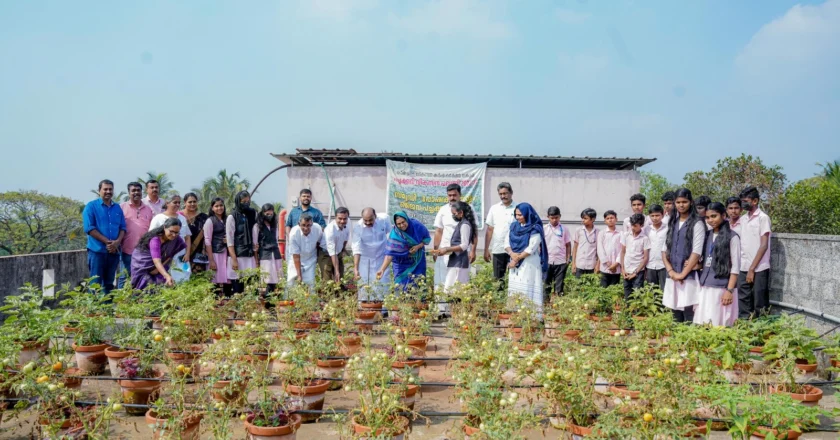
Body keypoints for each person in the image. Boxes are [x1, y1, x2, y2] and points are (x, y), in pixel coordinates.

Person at [662, 188, 705, 323]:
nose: (681, 205)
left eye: (684, 202)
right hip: (672, 275)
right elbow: (664, 251)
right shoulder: (672, 221)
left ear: (691, 202)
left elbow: (696, 252)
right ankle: (675, 343)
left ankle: (687, 343)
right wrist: (671, 271)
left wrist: (682, 274)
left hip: (689, 277)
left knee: (688, 312)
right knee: (675, 312)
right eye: (678, 202)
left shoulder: (697, 223)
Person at [693, 202, 740, 326]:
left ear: (724, 215)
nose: (710, 220)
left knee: (718, 325)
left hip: (721, 288)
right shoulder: (707, 235)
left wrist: (729, 291)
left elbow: (735, 267)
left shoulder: (732, 237)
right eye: (707, 217)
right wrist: (696, 265)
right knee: (703, 323)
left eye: (714, 216)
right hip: (705, 286)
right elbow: (707, 260)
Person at [83, 179, 126, 294]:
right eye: (105, 189)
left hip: (113, 252)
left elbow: (123, 228)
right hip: (97, 251)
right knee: (95, 283)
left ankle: (107, 309)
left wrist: (117, 242)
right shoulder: (91, 207)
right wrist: (108, 242)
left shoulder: (117, 208)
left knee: (109, 283)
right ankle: (93, 310)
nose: (108, 191)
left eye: (110, 189)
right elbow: (89, 228)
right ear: (99, 191)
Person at [505, 203, 549, 313]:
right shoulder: (513, 226)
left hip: (529, 263)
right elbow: (506, 242)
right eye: (516, 215)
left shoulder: (535, 228)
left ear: (527, 214)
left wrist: (516, 259)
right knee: (516, 288)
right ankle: (516, 315)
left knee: (528, 286)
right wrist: (511, 254)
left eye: (520, 215)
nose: (518, 217)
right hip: (515, 262)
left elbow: (531, 248)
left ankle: (531, 316)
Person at [433, 184, 476, 292]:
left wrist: (473, 251)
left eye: (454, 195)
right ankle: (441, 308)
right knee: (442, 280)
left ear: (460, 195)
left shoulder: (467, 209)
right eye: (449, 195)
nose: (452, 197)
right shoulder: (442, 210)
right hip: (444, 252)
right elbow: (438, 231)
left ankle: (455, 308)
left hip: (461, 252)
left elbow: (473, 232)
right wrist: (436, 250)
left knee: (458, 283)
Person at [737, 186, 772, 319]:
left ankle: (762, 332)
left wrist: (752, 268)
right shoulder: (743, 219)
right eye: (742, 200)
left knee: (760, 302)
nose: (743, 203)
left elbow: (763, 245)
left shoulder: (763, 218)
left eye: (746, 200)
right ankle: (744, 329)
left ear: (755, 201)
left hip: (759, 267)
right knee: (743, 300)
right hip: (744, 265)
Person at [378, 211, 431, 294]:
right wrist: (382, 269)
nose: (402, 225)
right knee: (400, 286)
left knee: (417, 283)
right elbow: (389, 255)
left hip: (417, 260)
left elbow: (427, 239)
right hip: (400, 263)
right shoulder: (395, 234)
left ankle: (417, 305)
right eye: (398, 224)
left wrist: (417, 246)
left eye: (403, 222)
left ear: (407, 219)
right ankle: (401, 305)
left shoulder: (417, 226)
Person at [130, 217, 186, 290]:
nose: (174, 235)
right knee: (144, 287)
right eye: (171, 231)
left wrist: (158, 270)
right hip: (143, 265)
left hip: (160, 266)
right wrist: (167, 275)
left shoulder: (177, 239)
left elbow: (169, 256)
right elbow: (156, 261)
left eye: (176, 232)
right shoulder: (155, 239)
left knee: (160, 286)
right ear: (164, 227)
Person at [149, 194, 192, 284]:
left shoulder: (182, 219)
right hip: (164, 256)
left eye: (179, 203)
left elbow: (187, 237)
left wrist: (187, 253)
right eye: (175, 202)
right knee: (165, 280)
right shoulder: (158, 218)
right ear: (167, 203)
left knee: (183, 277)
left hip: (181, 255)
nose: (177, 204)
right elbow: (151, 237)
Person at [118, 182, 153, 289]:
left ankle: (137, 301)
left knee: (141, 278)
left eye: (138, 190)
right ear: (129, 193)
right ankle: (121, 302)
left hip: (143, 251)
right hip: (126, 251)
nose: (136, 192)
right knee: (124, 277)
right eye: (133, 190)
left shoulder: (148, 209)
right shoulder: (121, 208)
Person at [354, 208, 392, 302]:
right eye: (365, 220)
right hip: (365, 260)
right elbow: (356, 248)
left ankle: (383, 311)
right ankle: (364, 310)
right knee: (364, 284)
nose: (367, 222)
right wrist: (356, 267)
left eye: (370, 220)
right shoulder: (358, 227)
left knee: (383, 283)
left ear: (375, 216)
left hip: (381, 258)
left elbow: (391, 235)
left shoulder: (384, 219)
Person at [484, 182, 516, 290]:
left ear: (511, 193)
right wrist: (486, 249)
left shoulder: (518, 208)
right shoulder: (494, 208)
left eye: (505, 193)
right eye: (501, 194)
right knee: (498, 279)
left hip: (514, 249)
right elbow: (490, 229)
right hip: (498, 248)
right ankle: (499, 303)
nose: (503, 196)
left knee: (514, 277)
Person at [226, 190, 258, 294]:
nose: (246, 204)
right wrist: (234, 259)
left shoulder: (253, 213)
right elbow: (230, 240)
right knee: (238, 288)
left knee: (251, 288)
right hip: (237, 256)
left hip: (250, 255)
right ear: (238, 201)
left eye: (248, 201)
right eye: (243, 201)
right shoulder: (232, 217)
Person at [253, 203, 283, 296]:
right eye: (267, 214)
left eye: (271, 214)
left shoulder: (275, 226)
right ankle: (267, 302)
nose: (269, 216)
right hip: (265, 255)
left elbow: (277, 240)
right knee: (267, 279)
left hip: (276, 255)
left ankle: (274, 302)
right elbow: (255, 245)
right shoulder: (257, 226)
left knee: (277, 279)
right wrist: (256, 260)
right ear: (262, 214)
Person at [287, 213, 324, 288]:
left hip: (311, 259)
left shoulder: (317, 228)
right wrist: (299, 275)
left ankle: (310, 299)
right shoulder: (294, 233)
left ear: (312, 224)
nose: (306, 228)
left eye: (308, 225)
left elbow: (319, 243)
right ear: (299, 224)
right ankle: (289, 299)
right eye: (303, 225)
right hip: (296, 259)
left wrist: (317, 257)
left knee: (310, 282)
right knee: (291, 282)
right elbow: (296, 256)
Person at [620, 214, 651, 301]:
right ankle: (627, 312)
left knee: (637, 294)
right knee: (627, 293)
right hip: (626, 270)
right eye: (631, 225)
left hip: (638, 271)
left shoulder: (645, 238)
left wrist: (635, 272)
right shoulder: (626, 235)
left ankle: (635, 313)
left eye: (635, 226)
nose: (632, 228)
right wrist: (622, 269)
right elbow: (622, 252)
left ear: (641, 225)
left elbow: (645, 258)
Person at [203, 198, 230, 295]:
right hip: (215, 253)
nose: (219, 208)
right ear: (212, 208)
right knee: (215, 280)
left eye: (221, 205)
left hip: (227, 253)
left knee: (227, 279)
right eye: (216, 206)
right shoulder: (210, 221)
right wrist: (211, 260)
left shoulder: (227, 219)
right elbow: (207, 240)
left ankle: (227, 303)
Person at [318, 207, 350, 286]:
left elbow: (345, 240)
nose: (342, 221)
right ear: (335, 217)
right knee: (327, 280)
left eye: (345, 219)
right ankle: (327, 297)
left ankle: (339, 296)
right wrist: (336, 270)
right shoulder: (330, 230)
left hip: (337, 254)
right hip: (326, 254)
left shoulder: (347, 227)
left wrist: (342, 251)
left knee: (340, 278)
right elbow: (332, 251)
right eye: (340, 218)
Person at [544, 206, 571, 297]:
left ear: (560, 216)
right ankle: (545, 304)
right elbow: (540, 245)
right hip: (547, 261)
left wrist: (567, 259)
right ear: (548, 217)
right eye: (552, 218)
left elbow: (568, 244)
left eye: (556, 217)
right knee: (546, 284)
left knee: (559, 286)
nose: (554, 220)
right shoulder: (544, 229)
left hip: (561, 261)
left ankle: (559, 304)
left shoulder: (564, 229)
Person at [181, 193, 209, 273]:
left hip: (199, 252)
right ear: (185, 202)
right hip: (182, 250)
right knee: (182, 276)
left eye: (194, 201)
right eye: (190, 202)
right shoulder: (179, 216)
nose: (192, 204)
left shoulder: (203, 217)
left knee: (199, 279)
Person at [645, 204, 669, 291]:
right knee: (651, 290)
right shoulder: (646, 230)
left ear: (662, 215)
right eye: (652, 216)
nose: (655, 218)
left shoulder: (668, 228)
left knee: (665, 290)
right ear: (649, 216)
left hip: (664, 264)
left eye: (657, 215)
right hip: (650, 264)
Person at [597, 210, 622, 287]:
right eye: (608, 218)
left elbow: (623, 250)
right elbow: (600, 249)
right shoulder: (602, 233)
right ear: (605, 221)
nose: (610, 220)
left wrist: (616, 264)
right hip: (605, 267)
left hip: (616, 267)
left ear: (616, 219)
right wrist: (608, 264)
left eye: (612, 218)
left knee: (614, 288)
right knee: (603, 288)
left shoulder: (621, 233)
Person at [571, 208, 599, 277]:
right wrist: (573, 263)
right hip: (579, 264)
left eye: (585, 218)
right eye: (582, 218)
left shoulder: (598, 232)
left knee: (590, 287)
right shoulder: (579, 230)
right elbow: (575, 248)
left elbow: (599, 250)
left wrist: (598, 264)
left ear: (593, 219)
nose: (583, 220)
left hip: (591, 265)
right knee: (578, 285)